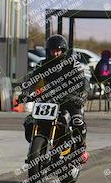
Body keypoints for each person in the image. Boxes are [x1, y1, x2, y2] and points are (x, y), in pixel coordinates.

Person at [19, 34, 89, 164]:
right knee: (29, 121)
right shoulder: (42, 63)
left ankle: (80, 148)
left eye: (58, 50)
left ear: (64, 51)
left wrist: (83, 95)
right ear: (48, 51)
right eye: (53, 50)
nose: (56, 53)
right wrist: (25, 93)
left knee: (77, 121)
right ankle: (40, 145)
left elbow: (83, 81)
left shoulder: (73, 64)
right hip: (48, 99)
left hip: (71, 99)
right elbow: (32, 80)